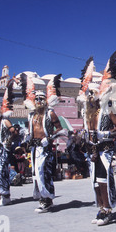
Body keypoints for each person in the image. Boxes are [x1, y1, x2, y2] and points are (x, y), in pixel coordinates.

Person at [78, 52, 116, 226]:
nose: (90, 96)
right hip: (92, 152)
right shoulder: (87, 114)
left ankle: (108, 210)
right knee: (94, 183)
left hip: (104, 151)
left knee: (103, 181)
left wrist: (106, 134)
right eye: (88, 93)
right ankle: (101, 209)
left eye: (93, 93)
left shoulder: (107, 110)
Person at [20, 73, 67, 213]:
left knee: (43, 173)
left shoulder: (50, 113)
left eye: (42, 98)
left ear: (46, 100)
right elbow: (30, 130)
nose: (39, 101)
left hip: (45, 148)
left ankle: (47, 200)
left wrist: (50, 138)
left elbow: (60, 128)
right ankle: (42, 199)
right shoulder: (31, 115)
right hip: (34, 148)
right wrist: (27, 137)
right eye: (37, 98)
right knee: (35, 174)